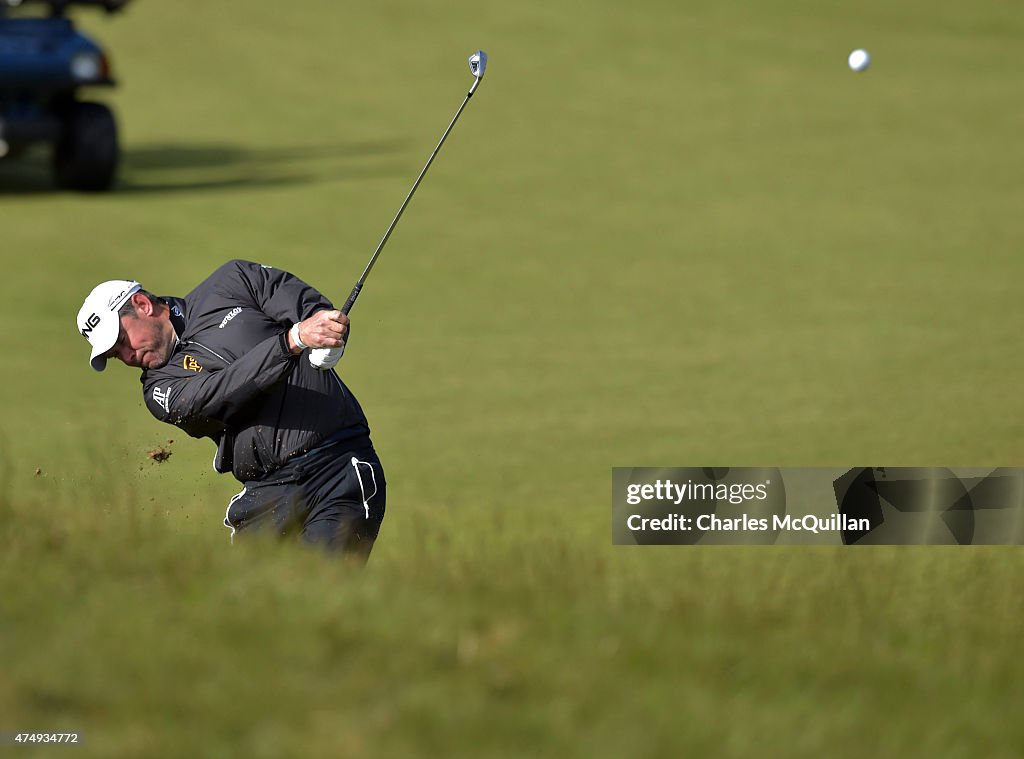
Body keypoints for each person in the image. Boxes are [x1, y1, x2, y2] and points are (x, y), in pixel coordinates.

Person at [75, 259, 386, 560]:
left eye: (122, 340)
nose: (127, 356)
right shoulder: (159, 388)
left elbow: (304, 305)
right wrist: (291, 342)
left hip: (338, 467)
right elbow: (219, 393)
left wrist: (328, 333)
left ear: (142, 305)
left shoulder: (232, 281)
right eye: (116, 354)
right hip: (266, 497)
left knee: (322, 592)